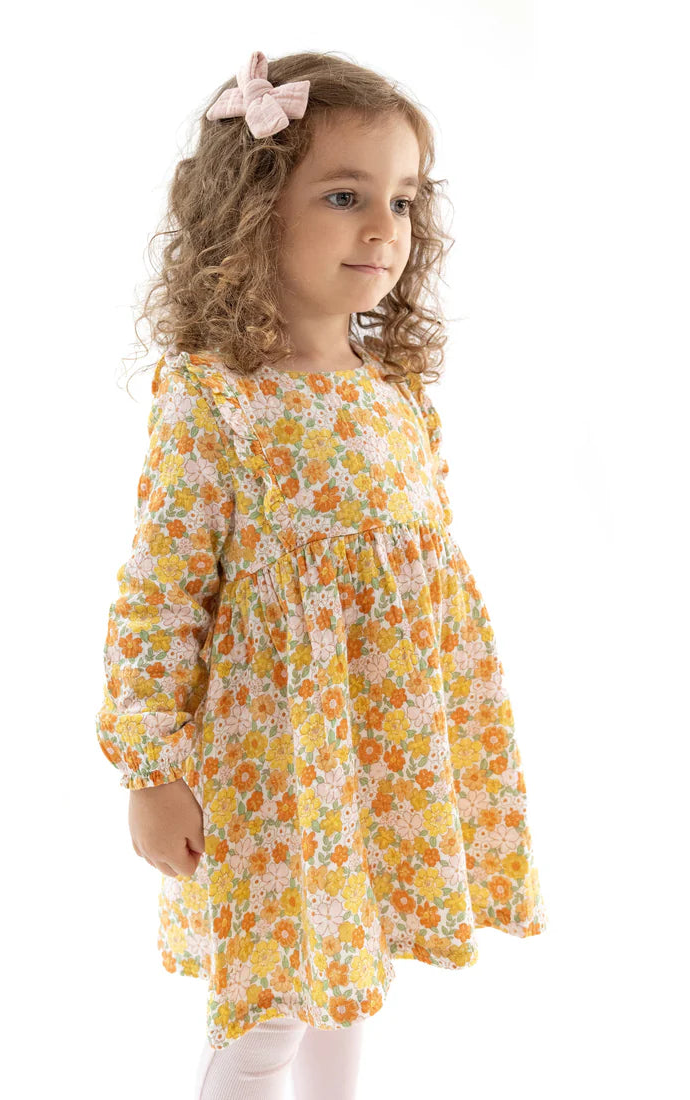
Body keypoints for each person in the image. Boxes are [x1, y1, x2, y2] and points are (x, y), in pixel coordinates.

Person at [96, 49, 548, 1099]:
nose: (383, 227)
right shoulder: (215, 396)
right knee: (269, 1010)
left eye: (402, 199)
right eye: (345, 196)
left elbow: (418, 582)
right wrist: (149, 767)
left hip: (380, 750)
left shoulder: (394, 391)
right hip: (276, 763)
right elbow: (160, 590)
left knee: (350, 984)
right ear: (253, 209)